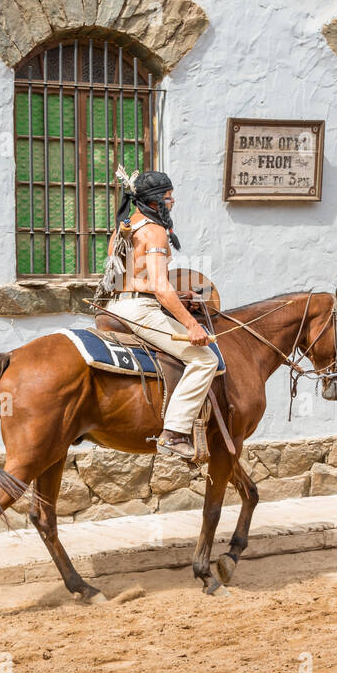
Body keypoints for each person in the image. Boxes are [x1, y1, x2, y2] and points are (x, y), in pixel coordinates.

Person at [101, 170, 217, 460]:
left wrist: (178, 298)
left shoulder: (124, 227)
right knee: (205, 360)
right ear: (155, 202)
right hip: (139, 310)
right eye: (168, 197)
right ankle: (174, 434)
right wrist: (192, 325)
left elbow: (131, 279)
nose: (173, 202)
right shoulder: (154, 231)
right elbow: (158, 285)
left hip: (116, 304)